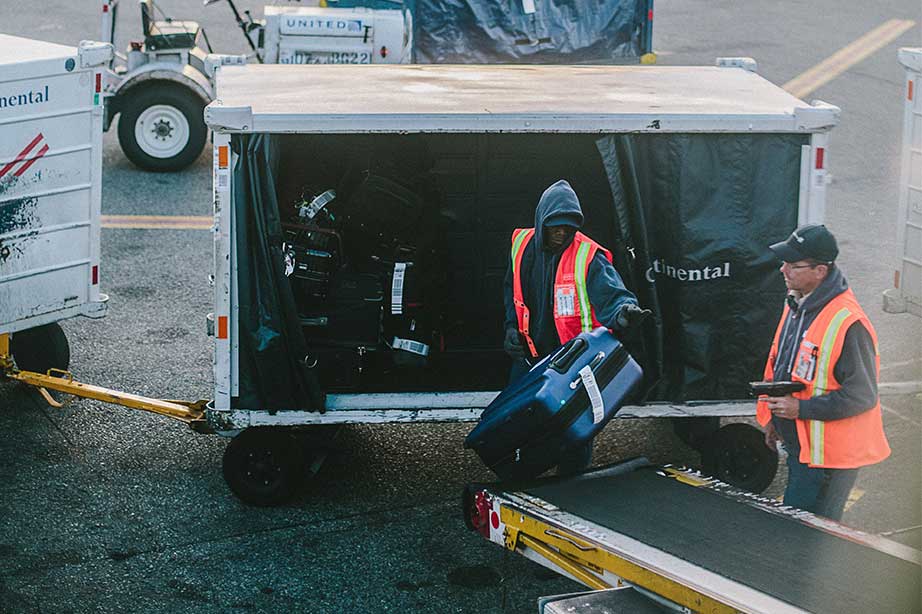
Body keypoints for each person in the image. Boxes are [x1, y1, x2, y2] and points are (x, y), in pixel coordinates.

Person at [502, 179, 649, 474]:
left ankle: (571, 491)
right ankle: (520, 483)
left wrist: (624, 313)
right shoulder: (521, 247)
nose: (562, 232)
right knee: (516, 428)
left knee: (574, 435)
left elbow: (613, 294)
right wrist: (509, 328)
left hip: (572, 367)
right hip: (531, 359)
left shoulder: (587, 257)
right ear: (542, 222)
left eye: (569, 227)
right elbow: (511, 290)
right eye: (556, 225)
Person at [758, 223, 890, 521]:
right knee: (799, 533)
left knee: (811, 540)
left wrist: (799, 409)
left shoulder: (848, 323)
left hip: (830, 461)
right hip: (805, 450)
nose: (783, 270)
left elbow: (862, 396)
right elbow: (787, 367)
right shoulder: (798, 303)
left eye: (793, 265)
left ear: (821, 271)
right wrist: (776, 420)